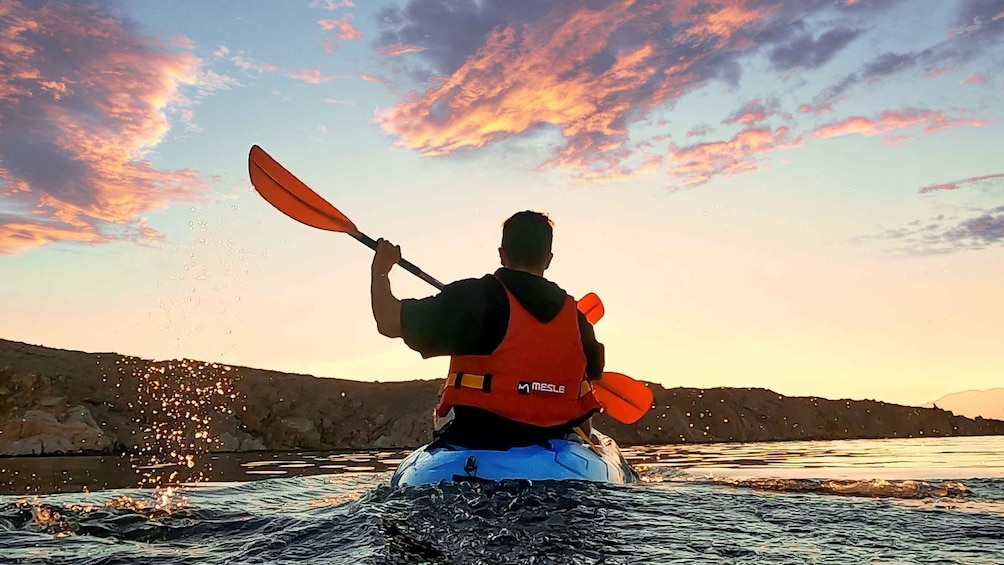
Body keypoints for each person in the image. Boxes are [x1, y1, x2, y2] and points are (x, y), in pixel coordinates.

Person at [369, 210, 605, 450]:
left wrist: (381, 270)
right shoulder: (576, 319)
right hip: (558, 448)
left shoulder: (473, 299)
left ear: (502, 255)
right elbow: (593, 373)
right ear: (548, 258)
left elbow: (388, 322)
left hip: (476, 443)